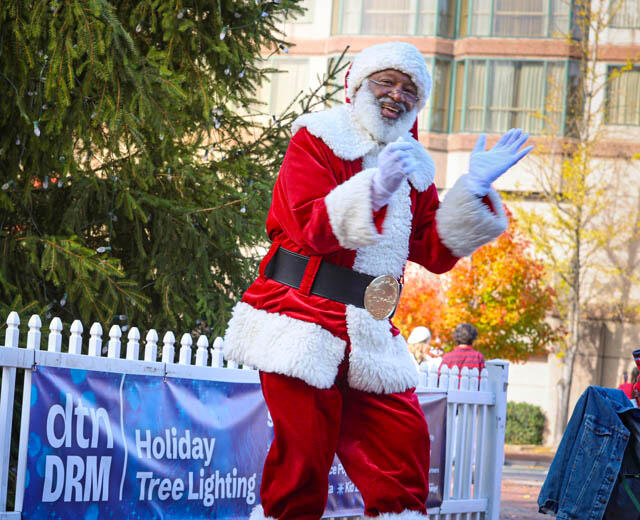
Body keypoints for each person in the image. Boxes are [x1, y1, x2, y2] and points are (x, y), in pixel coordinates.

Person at [223, 41, 532, 520]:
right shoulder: (318, 137)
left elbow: (433, 252)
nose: (396, 95)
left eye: (410, 89)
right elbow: (307, 225)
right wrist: (375, 189)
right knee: (302, 462)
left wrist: (472, 190)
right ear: (358, 85)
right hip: (301, 315)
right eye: (386, 82)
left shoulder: (414, 165)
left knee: (401, 452)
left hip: (370, 329)